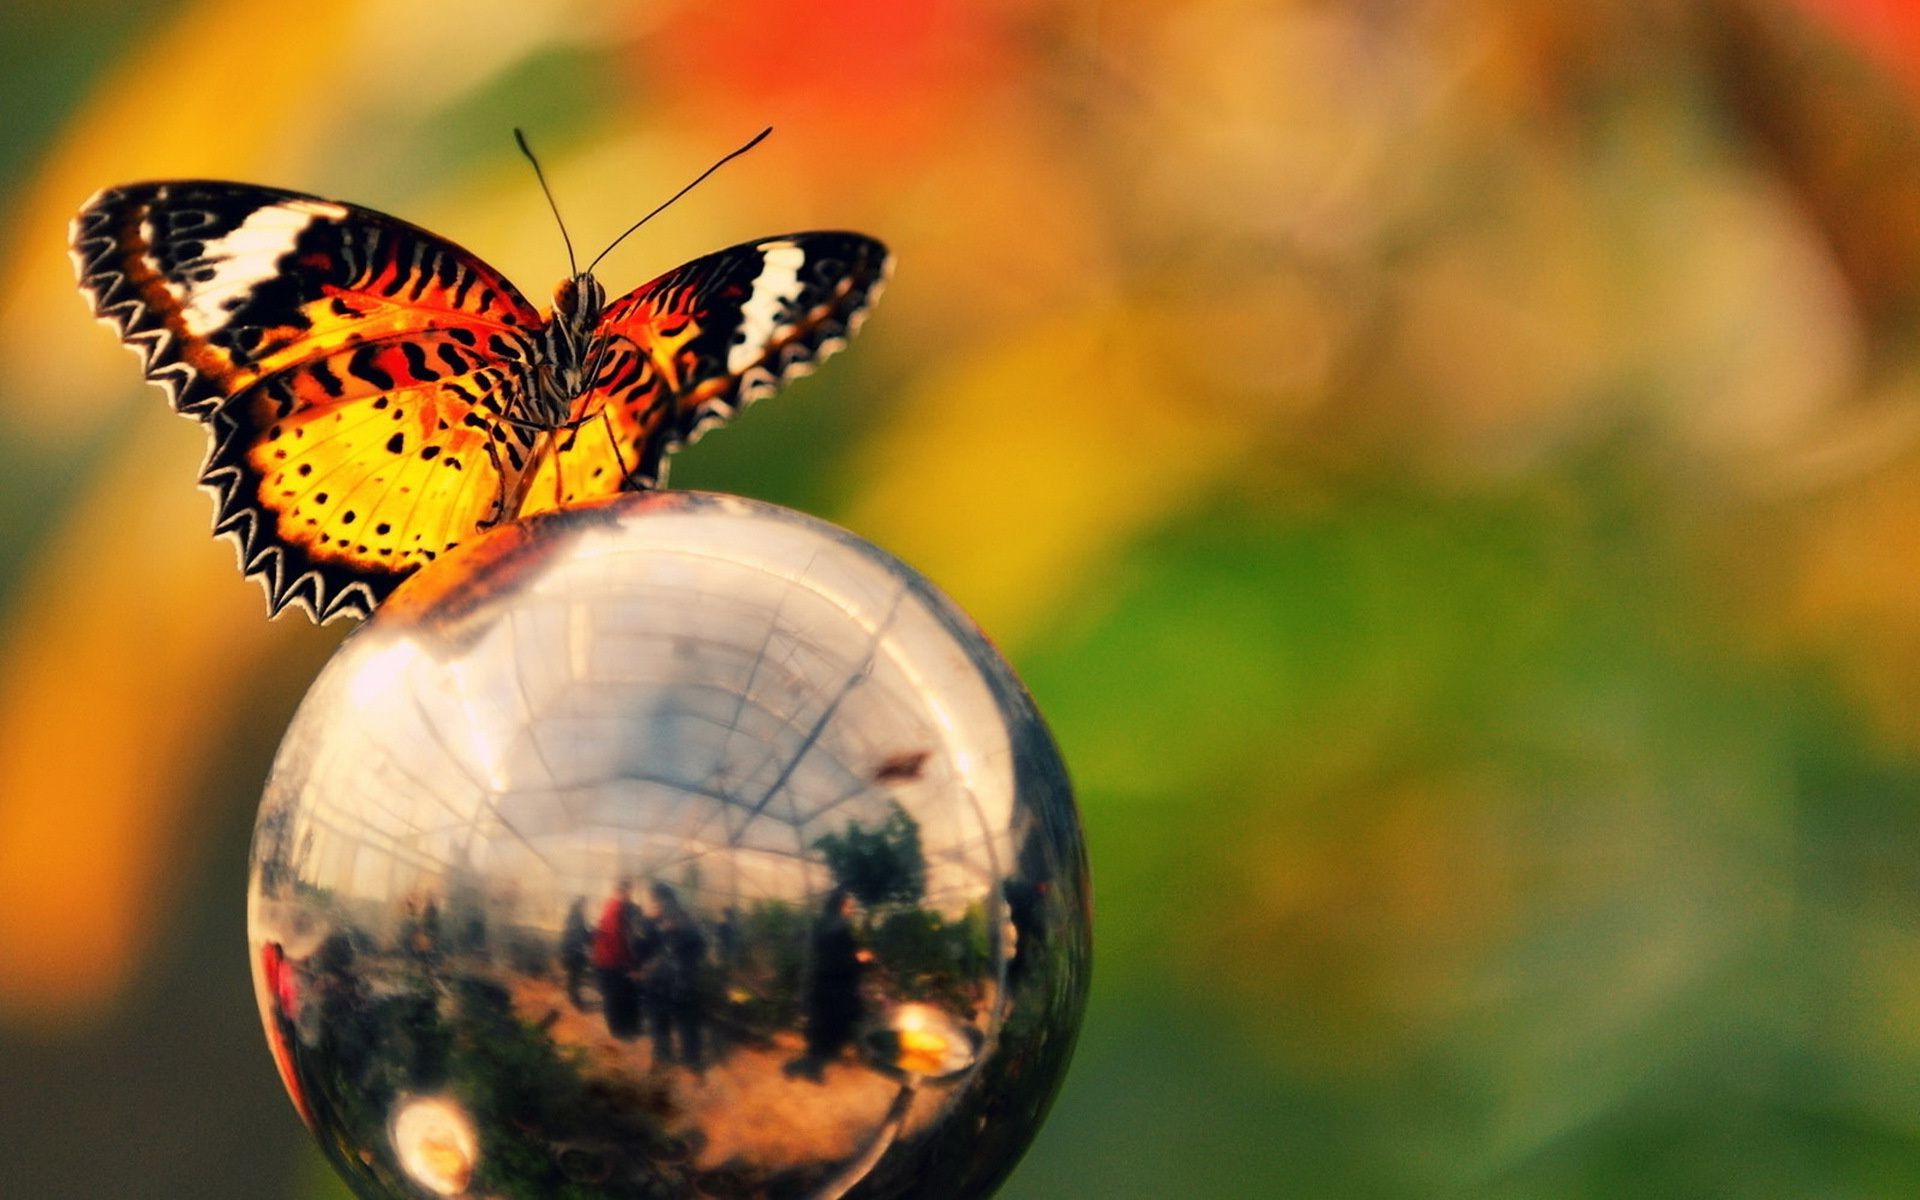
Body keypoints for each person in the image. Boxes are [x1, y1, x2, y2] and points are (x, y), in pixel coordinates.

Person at [785, 888, 867, 1081]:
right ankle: (814, 1069)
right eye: (849, 906)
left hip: (824, 984)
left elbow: (822, 953)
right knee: (832, 1028)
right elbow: (839, 960)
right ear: (840, 906)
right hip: (835, 987)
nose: (851, 910)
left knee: (823, 1028)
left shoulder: (825, 924)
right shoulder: (839, 929)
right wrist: (859, 958)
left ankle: (814, 1068)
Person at [644, 883, 708, 1068]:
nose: (652, 904)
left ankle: (691, 1059)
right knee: (660, 1021)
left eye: (654, 900)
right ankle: (665, 1057)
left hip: (680, 980)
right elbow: (643, 947)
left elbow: (699, 947)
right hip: (661, 981)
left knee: (686, 1022)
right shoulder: (653, 921)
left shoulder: (684, 920)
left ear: (663, 900)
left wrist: (677, 933)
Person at [591, 881, 643, 1039]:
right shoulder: (615, 908)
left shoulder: (612, 907)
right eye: (628, 892)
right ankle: (618, 1031)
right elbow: (616, 939)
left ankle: (621, 1029)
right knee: (613, 997)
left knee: (615, 996)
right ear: (622, 891)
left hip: (608, 960)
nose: (630, 896)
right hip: (610, 962)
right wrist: (628, 962)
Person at [560, 897, 591, 1009]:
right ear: (580, 906)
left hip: (571, 951)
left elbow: (579, 934)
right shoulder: (577, 918)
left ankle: (573, 997)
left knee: (573, 976)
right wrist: (592, 936)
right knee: (575, 976)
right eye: (585, 906)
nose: (586, 908)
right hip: (574, 952)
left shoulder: (573, 917)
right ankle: (575, 1000)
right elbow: (580, 935)